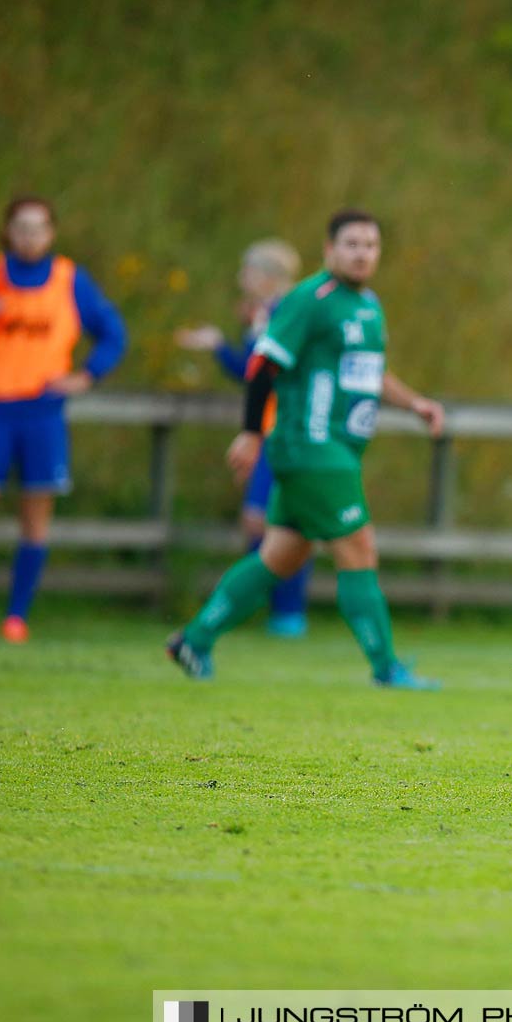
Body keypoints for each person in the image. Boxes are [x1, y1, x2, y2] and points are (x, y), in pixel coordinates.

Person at [164, 209, 445, 688]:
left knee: (282, 556)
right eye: (352, 244)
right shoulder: (308, 300)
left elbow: (370, 373)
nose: (362, 253)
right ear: (329, 250)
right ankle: (386, 668)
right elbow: (262, 365)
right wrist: (251, 433)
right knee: (358, 546)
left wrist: (414, 403)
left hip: (336, 450)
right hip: (313, 446)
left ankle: (195, 640)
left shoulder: (368, 306)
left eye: (371, 245)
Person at [0, 196, 128, 644]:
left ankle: (15, 618)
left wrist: (87, 375)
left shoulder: (70, 279)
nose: (29, 236)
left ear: (51, 233)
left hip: (42, 415)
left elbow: (113, 332)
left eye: (38, 227)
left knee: (35, 517)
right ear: (7, 231)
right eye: (21, 227)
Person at [175, 239, 312, 637]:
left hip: (286, 432)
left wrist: (222, 345)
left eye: (247, 271)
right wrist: (222, 343)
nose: (241, 279)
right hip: (269, 432)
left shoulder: (286, 313)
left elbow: (264, 373)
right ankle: (272, 611)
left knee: (277, 524)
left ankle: (284, 613)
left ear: (269, 276)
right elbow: (250, 373)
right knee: (265, 523)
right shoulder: (266, 314)